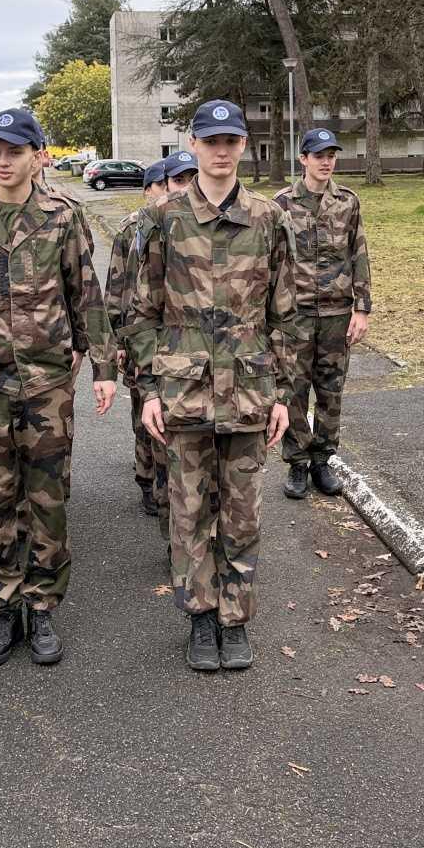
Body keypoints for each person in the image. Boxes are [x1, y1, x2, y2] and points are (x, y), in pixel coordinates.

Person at [0, 108, 117, 667]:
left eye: (15, 151)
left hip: (47, 381)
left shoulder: (63, 217)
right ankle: (0, 606)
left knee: (47, 496)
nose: (3, 161)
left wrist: (105, 367)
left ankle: (41, 605)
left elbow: (84, 291)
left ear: (38, 155)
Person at [127, 100, 297, 673]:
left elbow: (286, 315)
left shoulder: (269, 218)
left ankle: (235, 618)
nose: (221, 151)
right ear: (193, 145)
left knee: (243, 512)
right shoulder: (165, 218)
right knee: (189, 510)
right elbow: (142, 310)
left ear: (244, 146)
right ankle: (200, 618)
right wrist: (148, 389)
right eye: (210, 140)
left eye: (231, 140)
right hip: (184, 391)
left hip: (250, 391)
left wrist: (287, 398)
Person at [274, 129, 372, 500]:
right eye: (318, 155)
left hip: (335, 312)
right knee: (294, 390)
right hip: (294, 315)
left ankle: (322, 460)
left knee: (331, 390)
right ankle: (298, 462)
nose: (326, 161)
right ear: (303, 159)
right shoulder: (281, 204)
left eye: (331, 154)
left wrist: (362, 308)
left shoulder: (347, 202)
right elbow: (272, 262)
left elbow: (359, 254)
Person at [105, 159, 170, 521]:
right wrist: (115, 339)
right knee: (142, 408)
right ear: (149, 189)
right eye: (166, 183)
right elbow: (116, 287)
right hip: (137, 333)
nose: (176, 188)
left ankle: (164, 482)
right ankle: (147, 478)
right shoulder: (133, 229)